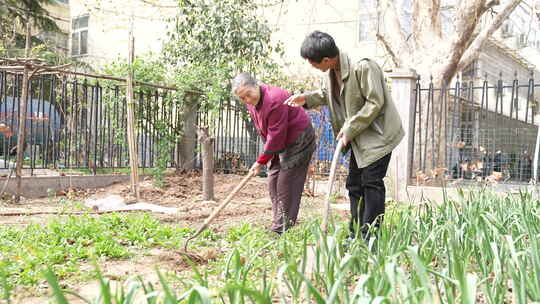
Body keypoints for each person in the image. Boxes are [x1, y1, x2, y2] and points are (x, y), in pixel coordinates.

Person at [284, 31, 404, 242]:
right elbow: (327, 94)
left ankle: (370, 238)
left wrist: (350, 128)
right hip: (359, 138)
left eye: (313, 63)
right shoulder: (331, 71)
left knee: (371, 183)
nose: (313, 67)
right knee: (354, 184)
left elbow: (375, 102)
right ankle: (355, 233)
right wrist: (306, 98)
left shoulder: (363, 66)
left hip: (379, 135)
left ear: (327, 59)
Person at [231, 73, 316, 234]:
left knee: (286, 183)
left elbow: (276, 134)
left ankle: (281, 229)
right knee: (273, 181)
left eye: (248, 94)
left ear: (256, 85)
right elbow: (266, 131)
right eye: (242, 98)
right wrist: (269, 155)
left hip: (299, 139)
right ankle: (280, 220)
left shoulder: (275, 99)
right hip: (280, 141)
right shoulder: (252, 103)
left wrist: (261, 160)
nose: (247, 100)